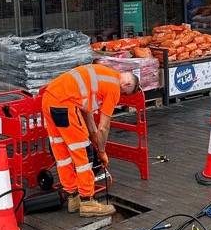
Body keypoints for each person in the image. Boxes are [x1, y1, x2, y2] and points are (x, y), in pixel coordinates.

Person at [41, 63, 139, 217]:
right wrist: (100, 151)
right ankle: (87, 202)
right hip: (65, 104)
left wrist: (96, 143)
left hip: (49, 99)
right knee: (85, 154)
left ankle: (73, 198)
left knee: (62, 153)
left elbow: (90, 120)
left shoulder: (102, 76)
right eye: (125, 93)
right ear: (127, 84)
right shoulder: (114, 87)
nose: (122, 97)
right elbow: (103, 127)